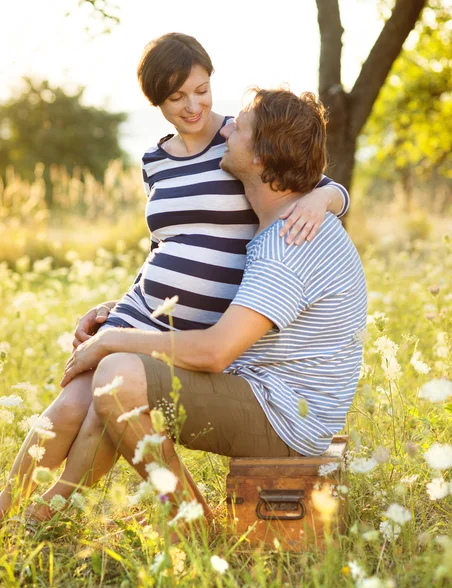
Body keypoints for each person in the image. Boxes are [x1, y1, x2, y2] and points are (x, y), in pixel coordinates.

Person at [0, 33, 350, 521]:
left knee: (104, 406)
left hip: (198, 331)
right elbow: (164, 248)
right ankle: (6, 513)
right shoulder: (155, 160)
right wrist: (111, 308)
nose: (194, 106)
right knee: (67, 407)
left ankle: (46, 516)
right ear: (157, 101)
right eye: (177, 96)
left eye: (202, 89)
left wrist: (325, 198)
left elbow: (304, 178)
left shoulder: (241, 139)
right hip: (145, 311)